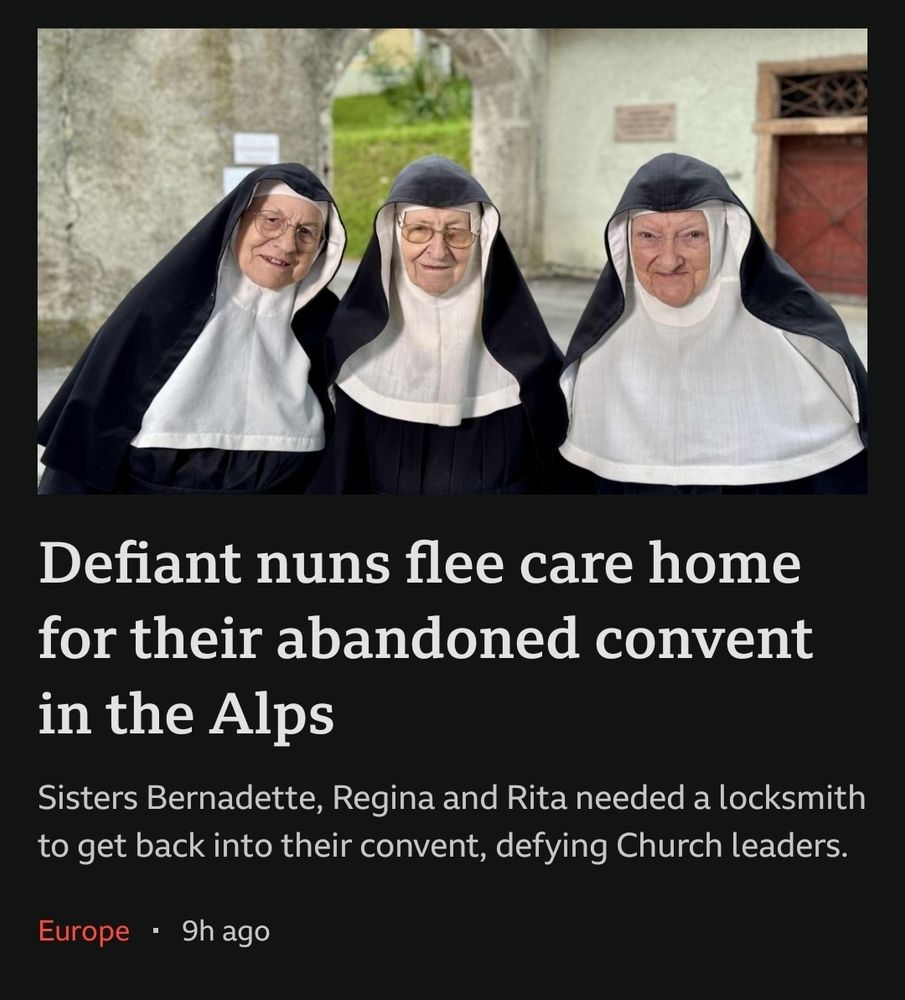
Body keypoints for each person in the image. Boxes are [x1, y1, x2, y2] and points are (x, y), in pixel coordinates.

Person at [558, 153, 867, 493]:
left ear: (723, 235)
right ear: (626, 242)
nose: (670, 259)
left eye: (692, 235)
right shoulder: (596, 355)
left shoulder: (800, 346)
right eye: (648, 236)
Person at [38, 163, 346, 493]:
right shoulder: (164, 308)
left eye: (306, 233)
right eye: (271, 221)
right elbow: (85, 449)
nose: (286, 245)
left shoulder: (326, 325)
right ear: (237, 219)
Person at [318, 155, 566, 494]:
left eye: (457, 232)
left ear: (482, 240)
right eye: (419, 230)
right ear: (393, 236)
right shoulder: (347, 357)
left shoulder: (534, 365)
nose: (438, 251)